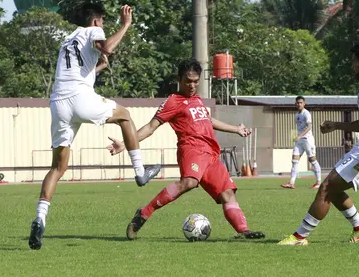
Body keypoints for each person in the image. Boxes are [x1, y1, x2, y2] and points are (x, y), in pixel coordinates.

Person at [28, 3, 161, 250]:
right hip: (79, 98)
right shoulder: (92, 32)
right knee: (125, 116)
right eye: (102, 21)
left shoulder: (68, 40)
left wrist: (99, 65)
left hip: (58, 103)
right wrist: (126, 24)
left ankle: (39, 218)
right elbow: (107, 46)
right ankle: (140, 172)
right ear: (97, 21)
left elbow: (78, 69)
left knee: (57, 167)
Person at [106, 58, 266, 240]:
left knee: (227, 194)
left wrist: (236, 129)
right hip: (191, 149)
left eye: (195, 81)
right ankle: (144, 213)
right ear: (179, 79)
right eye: (188, 81)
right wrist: (126, 143)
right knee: (189, 182)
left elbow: (208, 120)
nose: (192, 85)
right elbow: (150, 127)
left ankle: (243, 231)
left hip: (211, 154)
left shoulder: (197, 100)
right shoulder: (173, 101)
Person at [278, 42, 359, 245]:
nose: (352, 65)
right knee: (333, 187)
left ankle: (300, 237)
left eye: (354, 61)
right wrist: (337, 125)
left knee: (326, 187)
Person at [281, 96, 322, 189]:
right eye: (297, 103)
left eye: (300, 102)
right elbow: (299, 128)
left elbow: (309, 127)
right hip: (299, 141)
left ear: (304, 103)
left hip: (307, 140)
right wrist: (296, 136)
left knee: (313, 160)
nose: (299, 104)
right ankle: (291, 183)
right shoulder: (297, 114)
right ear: (295, 104)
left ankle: (319, 182)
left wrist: (300, 136)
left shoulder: (306, 113)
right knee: (294, 160)